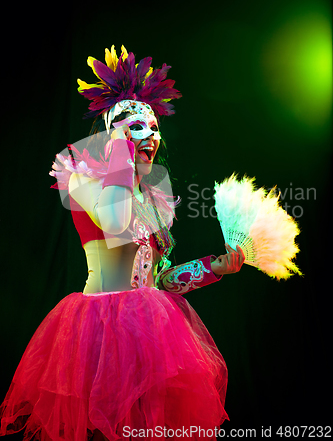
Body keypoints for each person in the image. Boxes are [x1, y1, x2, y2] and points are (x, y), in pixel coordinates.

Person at [0, 46, 245, 440]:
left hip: (153, 334)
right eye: (136, 129)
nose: (151, 139)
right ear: (113, 132)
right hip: (98, 333)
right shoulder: (82, 180)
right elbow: (115, 220)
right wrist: (118, 149)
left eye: (155, 131)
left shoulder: (152, 198)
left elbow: (160, 281)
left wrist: (212, 269)